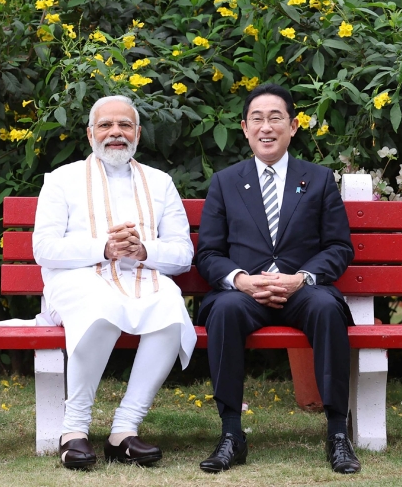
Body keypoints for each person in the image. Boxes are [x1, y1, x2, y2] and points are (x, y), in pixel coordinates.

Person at [195, 83, 360, 474]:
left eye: (275, 118)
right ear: (244, 128)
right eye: (257, 119)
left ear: (293, 126)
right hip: (245, 293)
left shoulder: (318, 179)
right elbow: (208, 253)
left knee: (326, 307)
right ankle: (231, 434)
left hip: (301, 290)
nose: (266, 127)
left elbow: (339, 247)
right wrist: (241, 280)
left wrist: (301, 277)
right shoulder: (225, 181)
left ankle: (338, 433)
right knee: (224, 311)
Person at [32, 95, 196, 469]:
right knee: (101, 307)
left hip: (142, 277)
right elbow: (44, 248)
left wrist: (143, 251)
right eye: (106, 125)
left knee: (172, 309)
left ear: (137, 133)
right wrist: (103, 248)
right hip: (78, 280)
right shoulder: (62, 180)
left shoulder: (160, 182)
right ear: (91, 134)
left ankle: (124, 430)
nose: (115, 133)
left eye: (124, 125)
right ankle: (73, 430)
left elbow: (183, 254)